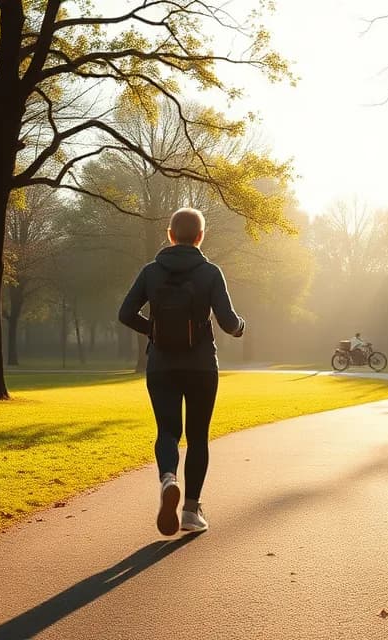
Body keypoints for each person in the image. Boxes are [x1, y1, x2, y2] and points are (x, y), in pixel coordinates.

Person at [118, 207, 245, 536]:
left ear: (170, 235)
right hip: (202, 365)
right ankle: (190, 510)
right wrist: (241, 326)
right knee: (198, 437)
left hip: (161, 365)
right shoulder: (210, 272)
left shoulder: (151, 271)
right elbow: (229, 323)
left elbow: (125, 313)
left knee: (167, 432)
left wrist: (154, 332)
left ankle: (168, 480)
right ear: (200, 236)